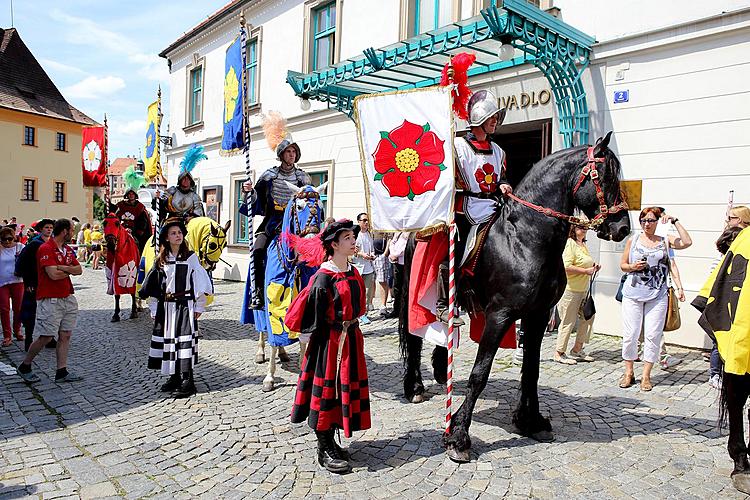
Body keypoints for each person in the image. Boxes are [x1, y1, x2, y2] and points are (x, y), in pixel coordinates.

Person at [285, 219, 370, 474]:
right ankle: (324, 447)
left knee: (342, 392)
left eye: (352, 237)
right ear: (333, 244)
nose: (353, 241)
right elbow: (312, 317)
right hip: (329, 344)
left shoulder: (353, 272)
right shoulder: (324, 278)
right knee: (326, 394)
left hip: (350, 340)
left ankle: (332, 440)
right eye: (346, 238)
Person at [240, 113, 311, 309]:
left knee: (315, 253)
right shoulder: (270, 175)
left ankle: (312, 292)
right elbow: (258, 199)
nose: (291, 155)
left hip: (296, 223)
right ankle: (258, 293)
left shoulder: (303, 178)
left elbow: (311, 201)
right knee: (258, 250)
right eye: (288, 152)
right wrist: (249, 191)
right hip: (273, 222)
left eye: (293, 152)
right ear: (281, 155)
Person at [139, 218, 212, 398]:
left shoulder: (191, 258)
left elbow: (200, 282)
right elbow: (155, 288)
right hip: (166, 307)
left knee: (184, 342)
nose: (177, 235)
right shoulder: (161, 260)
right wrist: (154, 309)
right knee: (169, 341)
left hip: (185, 306)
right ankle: (174, 377)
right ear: (166, 238)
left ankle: (188, 381)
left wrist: (199, 305)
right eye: (173, 233)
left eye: (179, 232)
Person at [619, 207, 686, 391]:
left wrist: (675, 220)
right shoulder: (633, 241)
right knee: (631, 335)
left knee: (652, 336)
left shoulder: (665, 241)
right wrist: (633, 266)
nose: (646, 224)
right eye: (643, 220)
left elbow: (686, 242)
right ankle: (628, 372)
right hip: (633, 294)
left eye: (650, 220)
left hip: (657, 295)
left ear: (657, 222)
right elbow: (623, 265)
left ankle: (646, 376)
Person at [16, 219, 83, 383]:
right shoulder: (46, 248)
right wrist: (69, 270)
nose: (73, 233)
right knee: (46, 336)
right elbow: (53, 275)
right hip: (50, 299)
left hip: (67, 296)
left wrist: (63, 268)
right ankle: (25, 365)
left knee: (65, 335)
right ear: (65, 231)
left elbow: (79, 269)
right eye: (72, 230)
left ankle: (62, 371)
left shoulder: (66, 250)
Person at [553, 223, 600, 364]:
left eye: (586, 227)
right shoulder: (570, 243)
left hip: (583, 289)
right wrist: (585, 271)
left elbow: (583, 263)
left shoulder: (582, 245)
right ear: (573, 229)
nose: (584, 229)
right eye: (580, 227)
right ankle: (559, 352)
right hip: (570, 290)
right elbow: (566, 266)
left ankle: (577, 349)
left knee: (588, 317)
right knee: (568, 321)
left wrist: (593, 267)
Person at [15, 219, 55, 351]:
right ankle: (29, 339)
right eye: (46, 227)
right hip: (34, 282)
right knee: (30, 311)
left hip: (48, 282)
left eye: (51, 227)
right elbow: (23, 263)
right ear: (41, 229)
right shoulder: (34, 245)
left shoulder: (52, 243)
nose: (49, 229)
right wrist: (28, 282)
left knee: (49, 311)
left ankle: (49, 338)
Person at [112, 166, 152, 251]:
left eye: (132, 194)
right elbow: (115, 218)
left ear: (135, 195)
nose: (131, 195)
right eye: (129, 194)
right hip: (121, 231)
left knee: (137, 245)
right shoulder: (121, 205)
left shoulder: (140, 207)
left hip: (134, 232)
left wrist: (135, 231)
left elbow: (143, 222)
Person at [0, 226, 24, 347]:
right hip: (2, 283)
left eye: (10, 239)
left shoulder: (20, 247)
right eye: (4, 239)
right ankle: (7, 335)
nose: (7, 242)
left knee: (18, 308)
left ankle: (17, 330)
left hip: (17, 281)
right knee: (4, 309)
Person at [352, 213, 376, 312]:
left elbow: (372, 248)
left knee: (367, 292)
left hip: (369, 268)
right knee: (357, 292)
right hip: (358, 266)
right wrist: (362, 254)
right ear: (359, 222)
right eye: (364, 220)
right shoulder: (355, 234)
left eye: (367, 220)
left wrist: (372, 255)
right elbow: (353, 250)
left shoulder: (370, 234)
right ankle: (356, 313)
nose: (366, 222)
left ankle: (364, 313)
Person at [387, 231, 408, 320]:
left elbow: (406, 246)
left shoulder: (409, 231)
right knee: (397, 287)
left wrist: (396, 254)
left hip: (406, 262)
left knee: (405, 287)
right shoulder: (398, 231)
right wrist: (393, 254)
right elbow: (392, 242)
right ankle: (396, 309)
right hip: (397, 262)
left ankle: (405, 310)